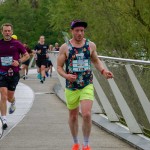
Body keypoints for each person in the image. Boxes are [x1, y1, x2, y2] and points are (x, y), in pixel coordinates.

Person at [57, 20, 114, 150]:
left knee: (87, 114)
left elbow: (95, 60)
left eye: (82, 31)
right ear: (72, 31)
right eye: (77, 31)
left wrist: (104, 71)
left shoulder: (90, 45)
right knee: (73, 115)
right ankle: (76, 142)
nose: (80, 33)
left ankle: (86, 144)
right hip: (71, 86)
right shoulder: (65, 47)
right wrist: (66, 76)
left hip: (87, 84)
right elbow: (59, 67)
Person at [0, 23, 29, 130]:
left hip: (13, 74)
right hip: (2, 73)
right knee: (3, 95)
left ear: (12, 32)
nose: (7, 33)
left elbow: (27, 55)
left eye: (9, 31)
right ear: (2, 32)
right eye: (5, 31)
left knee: (9, 97)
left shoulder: (17, 43)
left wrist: (19, 61)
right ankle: (4, 120)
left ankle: (13, 102)